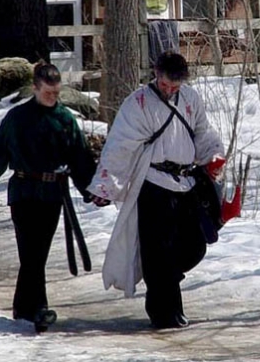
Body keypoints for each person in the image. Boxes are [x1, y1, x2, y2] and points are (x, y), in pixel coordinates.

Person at [87, 51, 224, 329]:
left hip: (186, 184)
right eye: (165, 84)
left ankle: (164, 290)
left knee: (193, 247)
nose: (170, 90)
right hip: (153, 185)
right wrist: (105, 186)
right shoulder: (137, 103)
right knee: (158, 252)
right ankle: (165, 315)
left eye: (175, 86)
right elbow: (119, 147)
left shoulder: (190, 99)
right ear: (156, 74)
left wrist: (213, 156)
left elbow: (202, 132)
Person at [0, 61, 98, 333]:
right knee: (32, 252)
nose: (53, 97)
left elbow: (80, 160)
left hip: (52, 195)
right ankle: (39, 309)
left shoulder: (65, 120)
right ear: (35, 89)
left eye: (56, 93)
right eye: (48, 92)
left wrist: (94, 192)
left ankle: (23, 306)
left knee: (36, 255)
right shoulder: (18, 118)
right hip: (24, 193)